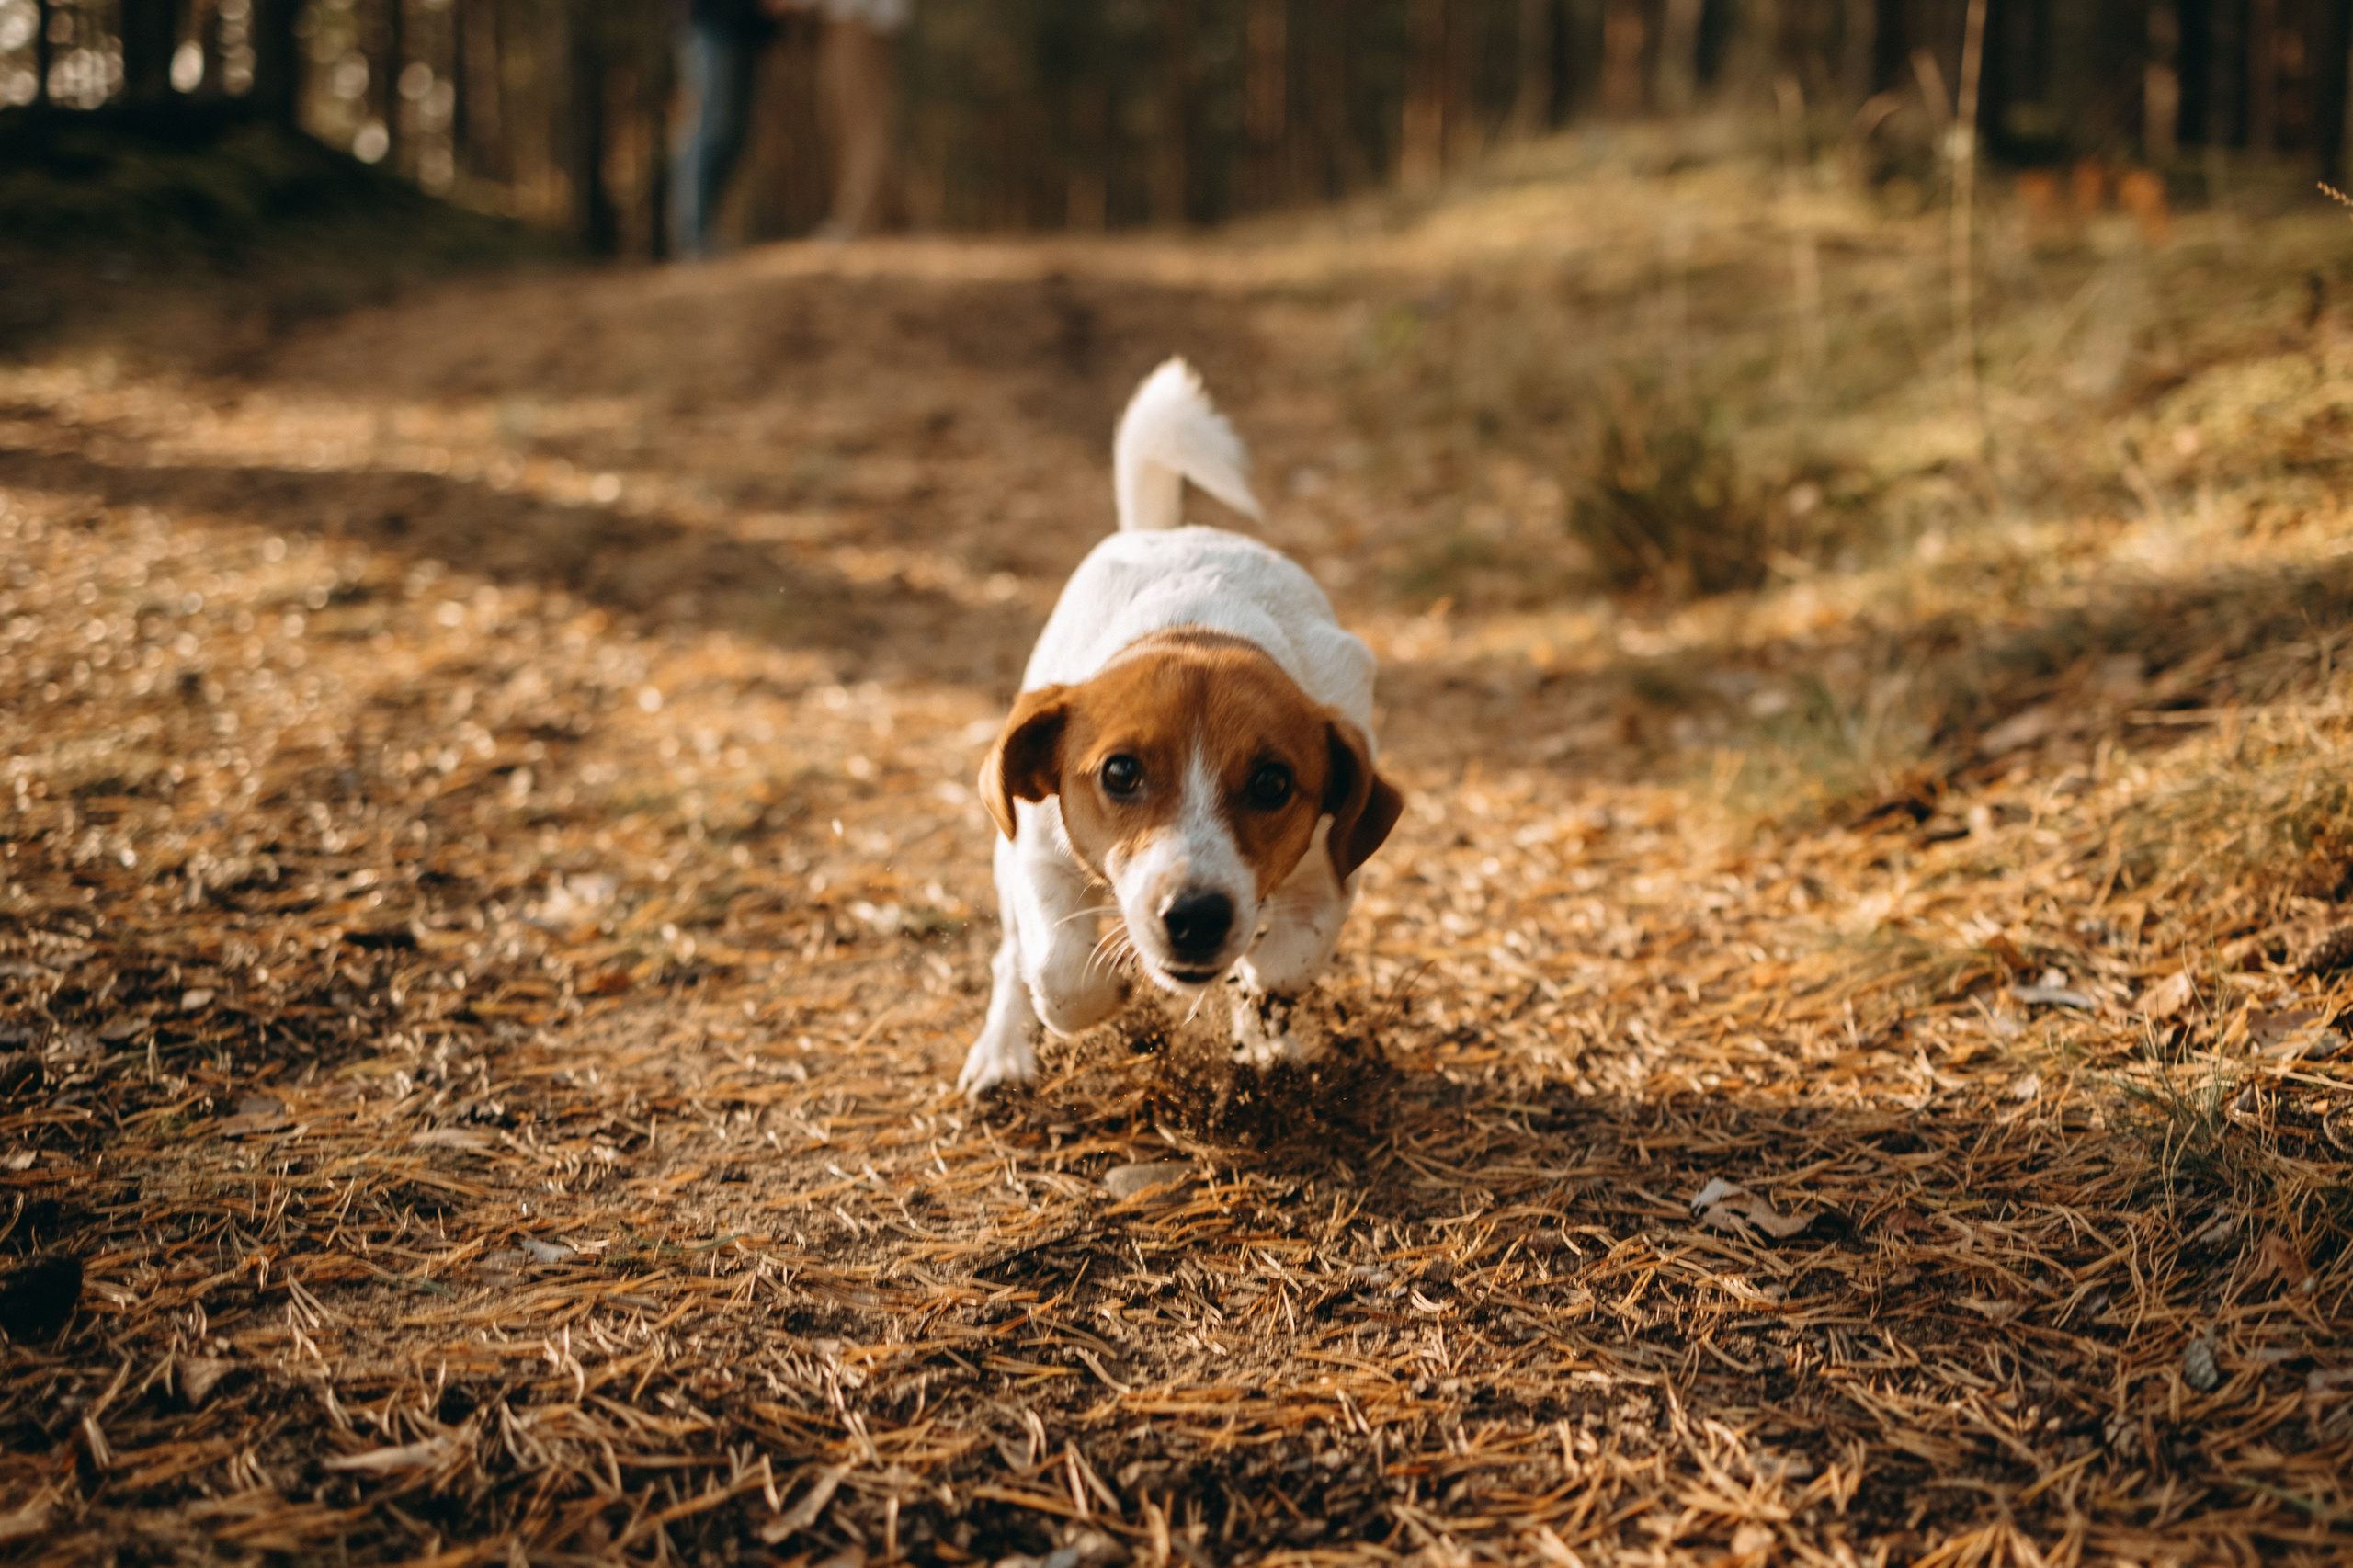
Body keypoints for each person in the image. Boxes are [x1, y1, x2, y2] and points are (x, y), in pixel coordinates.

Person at [669, 0, 772, 260]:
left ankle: (707, 230)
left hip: (745, 28)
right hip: (709, 22)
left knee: (734, 137)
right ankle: (693, 237)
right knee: (709, 130)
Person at [812, 0, 907, 239]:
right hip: (861, 18)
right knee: (854, 118)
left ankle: (856, 216)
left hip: (855, 16)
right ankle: (894, 213)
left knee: (860, 122)